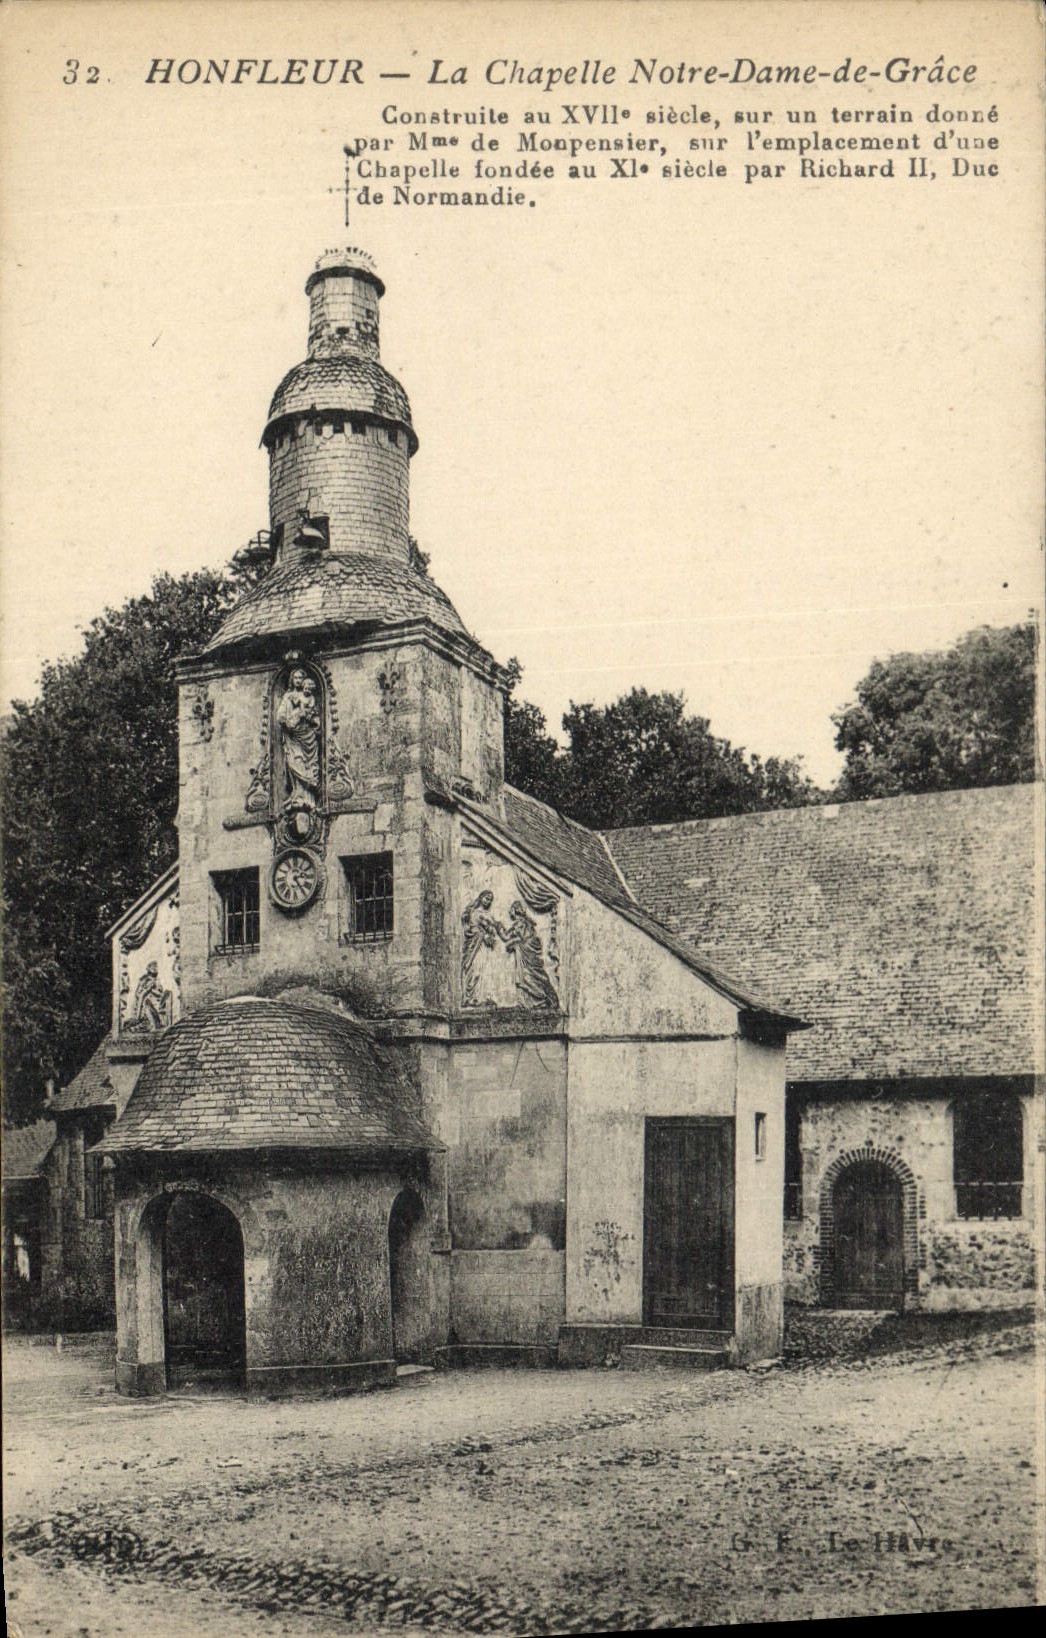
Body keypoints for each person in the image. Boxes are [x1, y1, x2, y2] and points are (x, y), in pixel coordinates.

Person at [501, 901, 559, 1009]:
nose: (510, 912)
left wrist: (498, 927)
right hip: (527, 952)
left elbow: (508, 937)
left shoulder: (520, 923)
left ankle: (541, 998)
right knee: (531, 975)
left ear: (515, 911)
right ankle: (529, 1002)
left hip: (527, 953)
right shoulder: (526, 922)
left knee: (527, 976)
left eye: (511, 910)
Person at [276, 668, 321, 807]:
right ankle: (297, 794)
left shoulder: (309, 697)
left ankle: (308, 797)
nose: (298, 680)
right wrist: (290, 719)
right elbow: (280, 716)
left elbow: (314, 716)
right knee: (296, 762)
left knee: (307, 764)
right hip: (293, 738)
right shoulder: (288, 696)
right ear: (292, 680)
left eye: (300, 678)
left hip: (308, 737)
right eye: (295, 678)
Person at [461, 890, 500, 1008]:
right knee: (475, 970)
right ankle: (470, 997)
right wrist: (484, 933)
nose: (488, 901)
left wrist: (490, 933)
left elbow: (493, 930)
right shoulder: (474, 912)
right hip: (475, 946)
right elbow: (471, 929)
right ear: (481, 897)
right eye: (486, 898)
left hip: (484, 948)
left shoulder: (489, 915)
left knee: (485, 970)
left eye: (490, 900)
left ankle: (483, 997)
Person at [128, 962, 172, 1032]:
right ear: (148, 969)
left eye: (156, 967)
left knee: (151, 1002)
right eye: (152, 967)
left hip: (156, 1001)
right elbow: (138, 993)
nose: (154, 969)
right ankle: (149, 1023)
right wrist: (147, 989)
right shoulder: (144, 979)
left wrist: (154, 991)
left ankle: (154, 1023)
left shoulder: (157, 980)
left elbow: (160, 992)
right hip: (145, 1001)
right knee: (147, 1002)